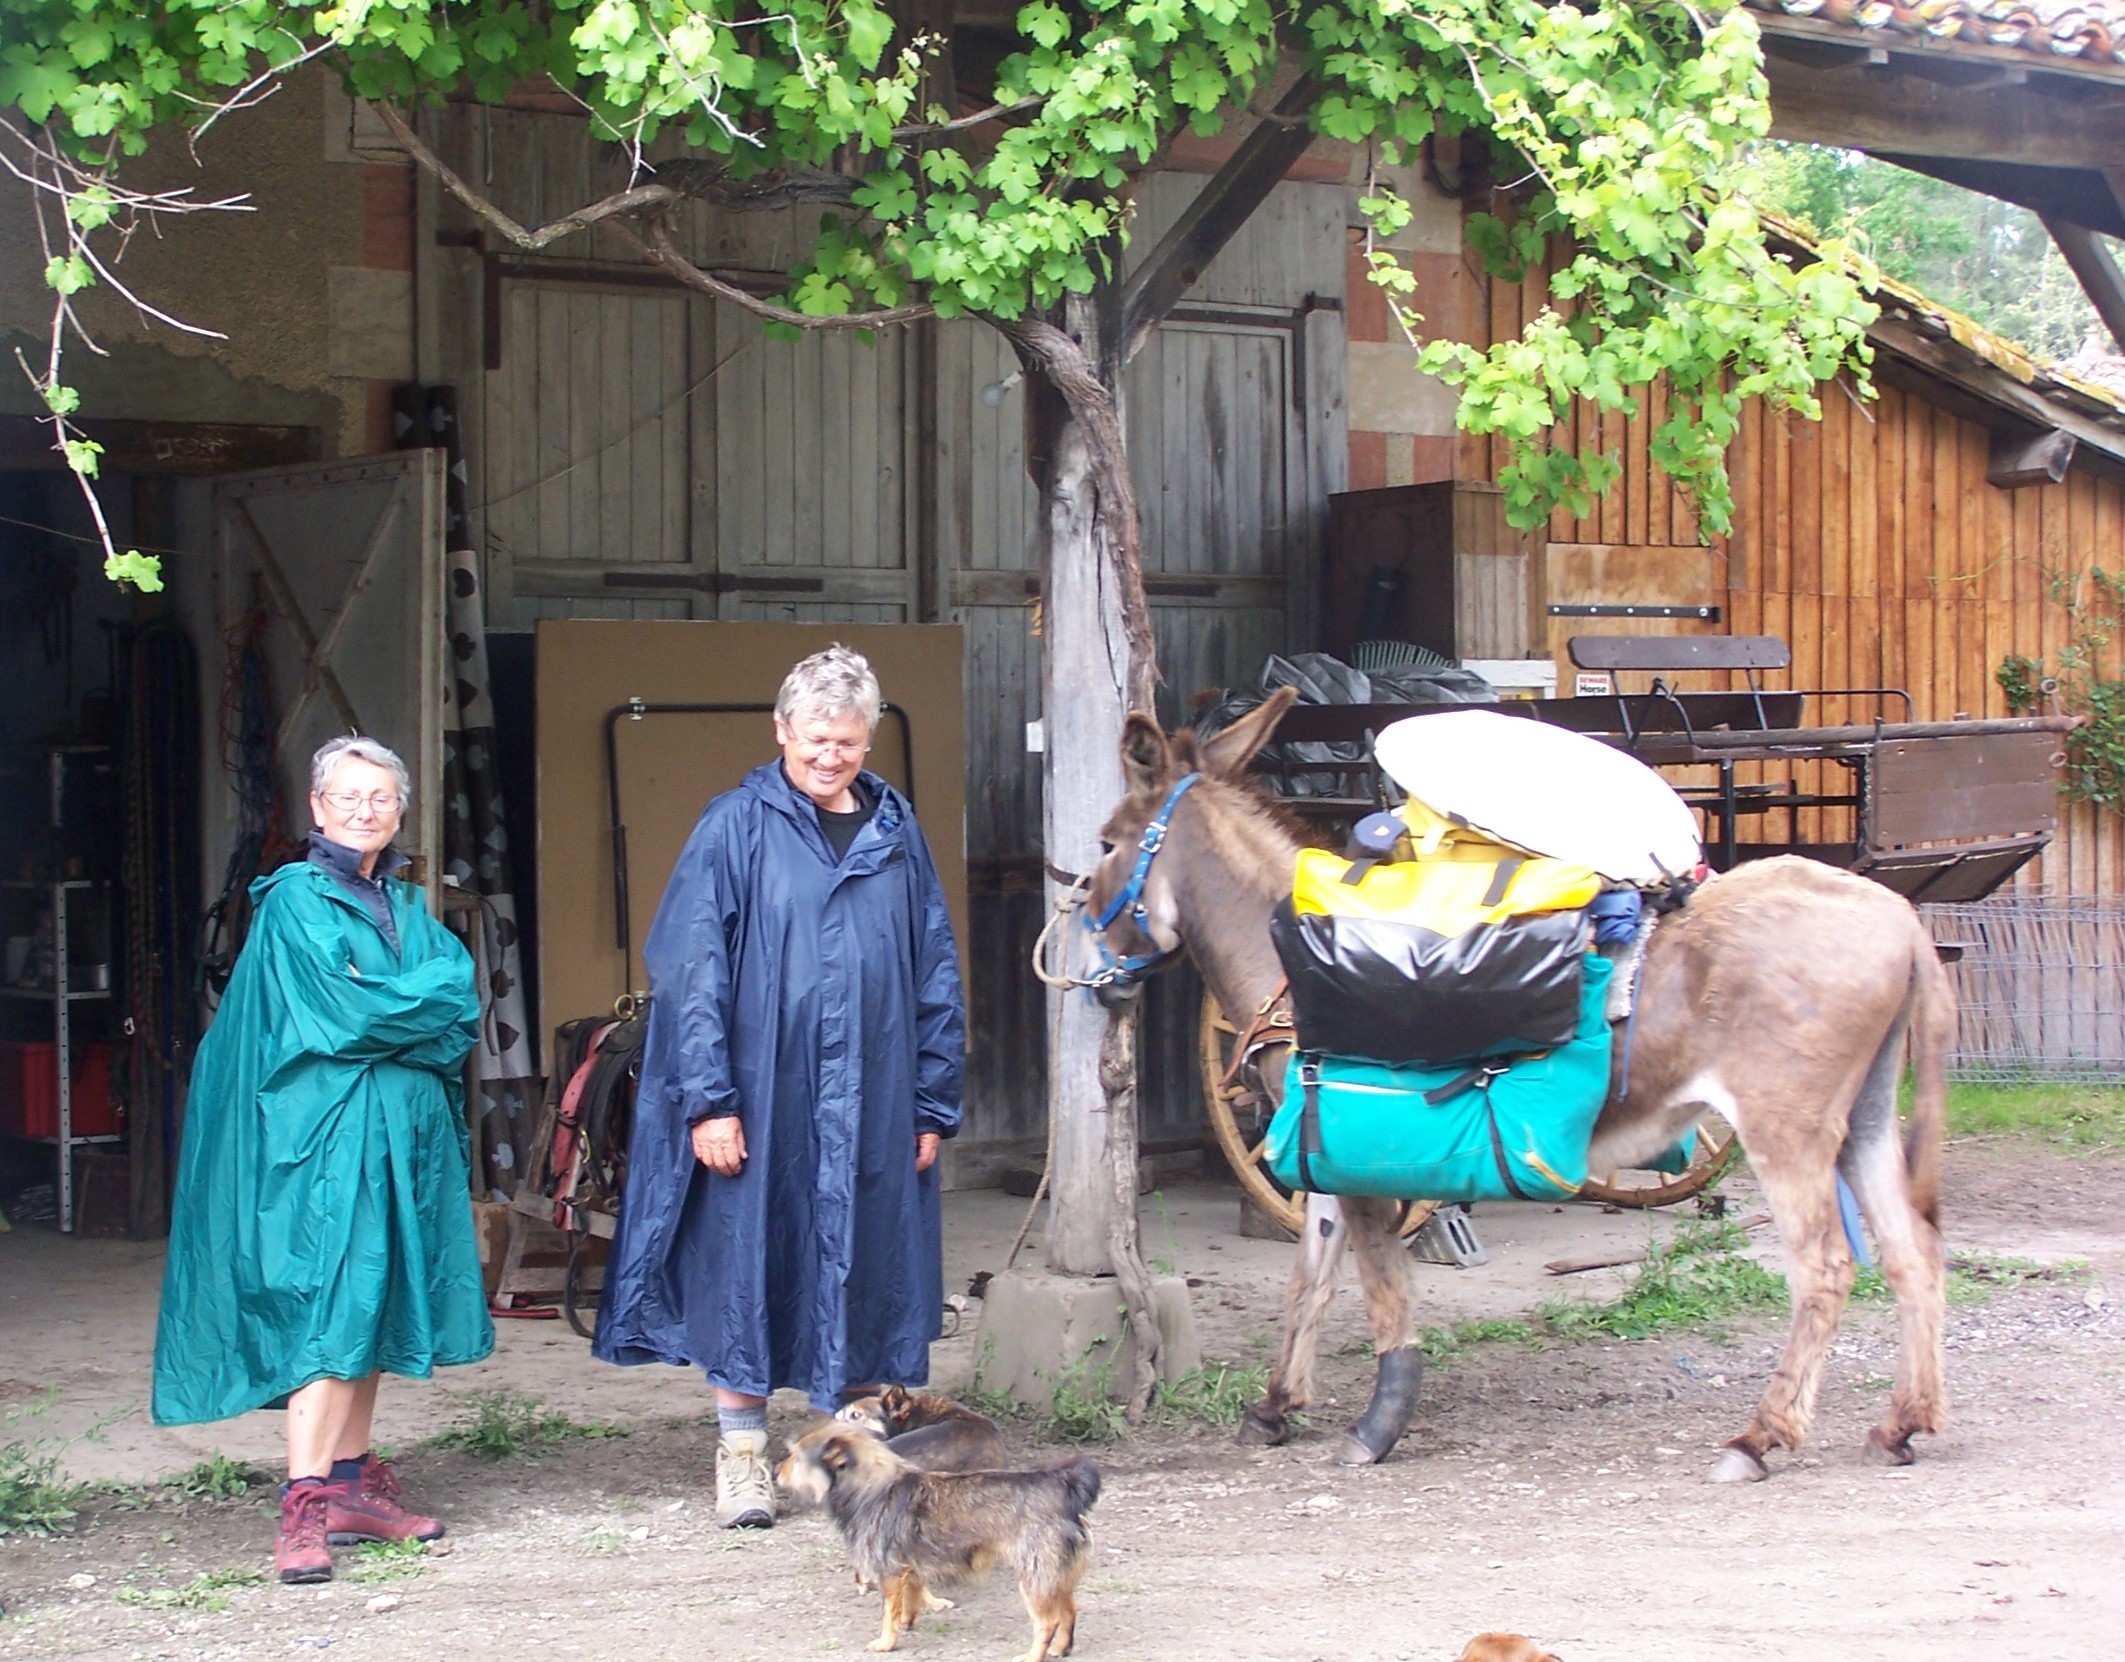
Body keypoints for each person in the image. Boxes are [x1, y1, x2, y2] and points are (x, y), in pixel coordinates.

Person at [594, 644, 965, 1529]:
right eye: (814, 741)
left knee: (872, 1261)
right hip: (767, 1094)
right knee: (748, 1260)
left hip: (874, 1092)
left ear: (867, 740)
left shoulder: (894, 830)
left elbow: (933, 968)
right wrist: (709, 1099)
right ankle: (742, 1459)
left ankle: (851, 1455)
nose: (830, 756)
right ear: (781, 731)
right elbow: (690, 969)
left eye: (847, 741)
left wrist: (931, 1099)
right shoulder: (735, 826)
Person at [153, 736, 492, 1584]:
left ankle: (350, 1487)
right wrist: (399, 1012)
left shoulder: (411, 910)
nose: (365, 811)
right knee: (330, 1316)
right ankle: (301, 1508)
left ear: (399, 811)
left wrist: (395, 1013)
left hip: (397, 1140)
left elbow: (458, 1008)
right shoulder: (295, 902)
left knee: (372, 1308)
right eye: (348, 796)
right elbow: (342, 1018)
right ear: (317, 807)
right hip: (323, 1144)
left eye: (380, 798)